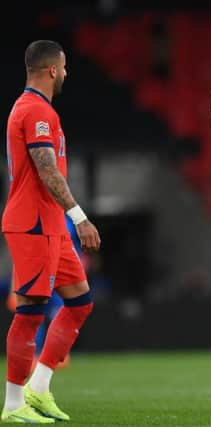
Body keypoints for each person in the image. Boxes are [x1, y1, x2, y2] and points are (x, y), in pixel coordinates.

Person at [1, 40, 101, 423]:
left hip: (50, 225)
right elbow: (46, 169)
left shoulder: (40, 110)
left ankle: (39, 389)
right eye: (65, 67)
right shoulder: (34, 111)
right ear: (53, 70)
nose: (67, 73)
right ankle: (12, 406)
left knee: (79, 302)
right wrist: (80, 217)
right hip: (33, 224)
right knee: (30, 312)